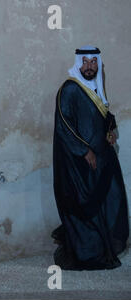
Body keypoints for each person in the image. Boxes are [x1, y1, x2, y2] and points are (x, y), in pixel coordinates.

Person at [52, 46, 129, 270]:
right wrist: (84, 150)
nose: (88, 66)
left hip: (103, 159)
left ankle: (108, 244)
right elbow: (63, 124)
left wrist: (111, 129)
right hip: (80, 164)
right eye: (84, 62)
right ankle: (89, 252)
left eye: (93, 62)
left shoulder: (95, 87)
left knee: (112, 200)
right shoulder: (69, 89)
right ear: (78, 64)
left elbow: (103, 114)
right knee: (86, 206)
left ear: (98, 63)